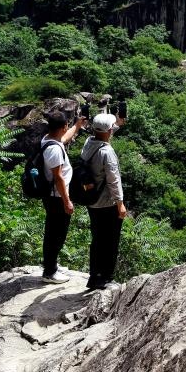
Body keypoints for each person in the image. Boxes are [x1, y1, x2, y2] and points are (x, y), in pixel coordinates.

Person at [81, 112, 127, 290]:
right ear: (108, 131)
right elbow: (114, 180)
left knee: (97, 239)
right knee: (111, 241)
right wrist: (120, 204)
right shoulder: (107, 152)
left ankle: (94, 276)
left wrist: (117, 124)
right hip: (107, 203)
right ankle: (105, 278)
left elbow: (103, 132)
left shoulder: (89, 143)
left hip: (92, 202)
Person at [40, 111, 85, 284]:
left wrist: (77, 126)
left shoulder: (48, 139)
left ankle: (51, 265)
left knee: (53, 231)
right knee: (56, 234)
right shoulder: (54, 150)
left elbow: (64, 138)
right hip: (57, 198)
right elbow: (58, 177)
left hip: (54, 196)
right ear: (63, 126)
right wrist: (67, 201)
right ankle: (50, 272)